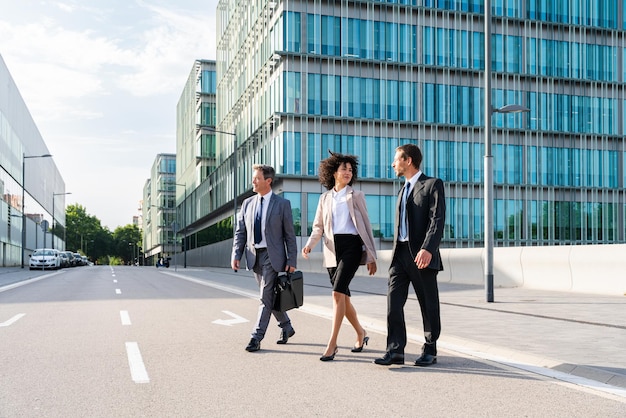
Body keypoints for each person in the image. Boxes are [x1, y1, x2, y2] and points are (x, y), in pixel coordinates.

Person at [375, 143, 446, 367]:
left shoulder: (432, 184)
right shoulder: (402, 190)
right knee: (393, 303)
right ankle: (395, 350)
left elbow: (437, 219)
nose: (392, 164)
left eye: (396, 159)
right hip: (400, 255)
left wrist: (428, 248)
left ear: (408, 160)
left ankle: (430, 348)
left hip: (421, 254)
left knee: (428, 303)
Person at [302, 152, 377, 361]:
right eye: (344, 169)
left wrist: (371, 256)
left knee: (336, 294)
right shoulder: (325, 198)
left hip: (352, 247)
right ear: (334, 172)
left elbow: (366, 227)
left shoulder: (357, 196)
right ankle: (361, 333)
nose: (348, 173)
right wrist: (309, 245)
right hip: (332, 250)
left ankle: (332, 343)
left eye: (350, 170)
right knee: (343, 296)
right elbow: (318, 227)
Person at [231, 164, 298, 352]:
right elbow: (241, 232)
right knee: (269, 296)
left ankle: (256, 337)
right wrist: (236, 254)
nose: (253, 181)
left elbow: (289, 235)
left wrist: (291, 260)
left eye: (257, 178)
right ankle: (286, 327)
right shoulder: (247, 204)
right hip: (254, 256)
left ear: (268, 181)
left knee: (264, 297)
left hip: (273, 255)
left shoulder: (282, 204)